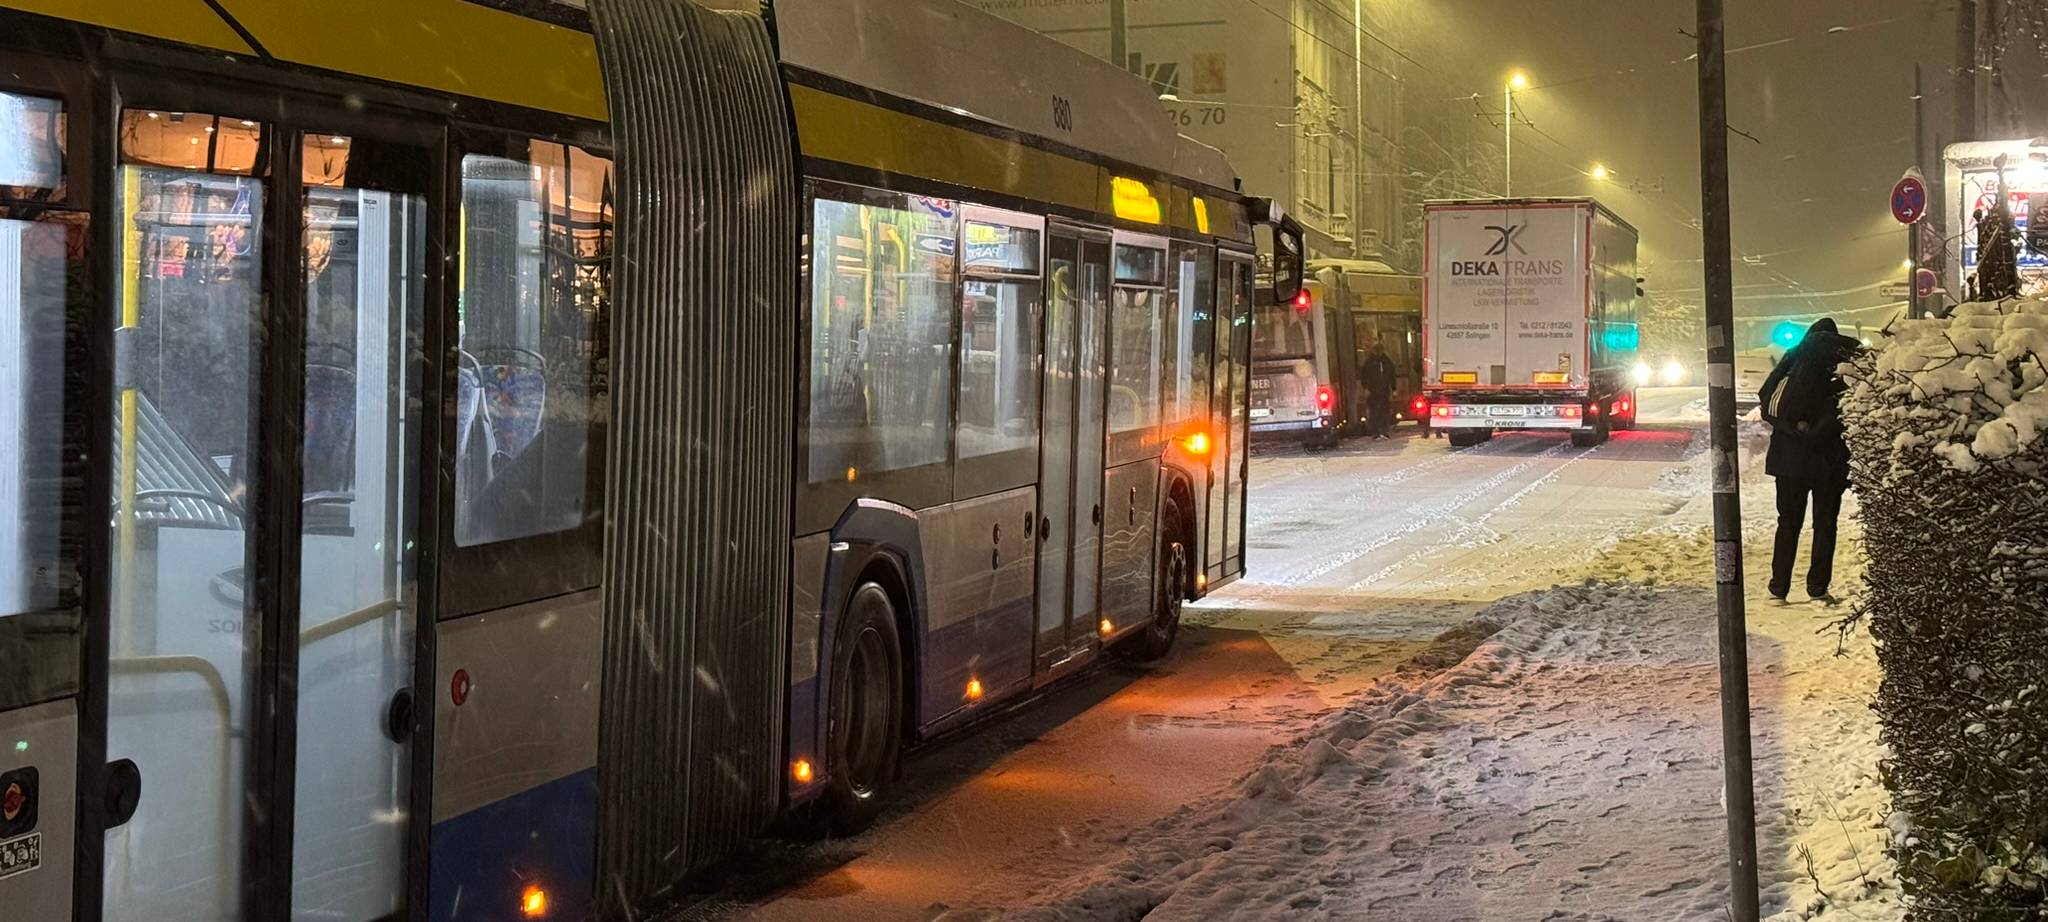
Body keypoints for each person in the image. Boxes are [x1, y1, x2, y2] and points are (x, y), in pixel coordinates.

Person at [1757, 317, 1861, 604]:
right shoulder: (1844, 363)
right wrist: (1820, 432)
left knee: (1788, 523)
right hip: (1829, 458)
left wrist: (1793, 429)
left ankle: (1778, 589)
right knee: (1825, 524)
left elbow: (1767, 401)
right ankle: (1817, 589)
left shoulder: (1794, 358)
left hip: (1789, 459)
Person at [1361, 341, 1398, 439]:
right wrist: (1365, 388)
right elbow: (1364, 376)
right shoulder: (1369, 362)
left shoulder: (1386, 361)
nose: (1378, 352)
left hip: (1384, 390)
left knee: (1384, 411)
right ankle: (1376, 432)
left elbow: (1392, 376)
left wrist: (1394, 388)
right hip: (1373, 390)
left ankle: (1384, 431)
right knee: (1374, 411)